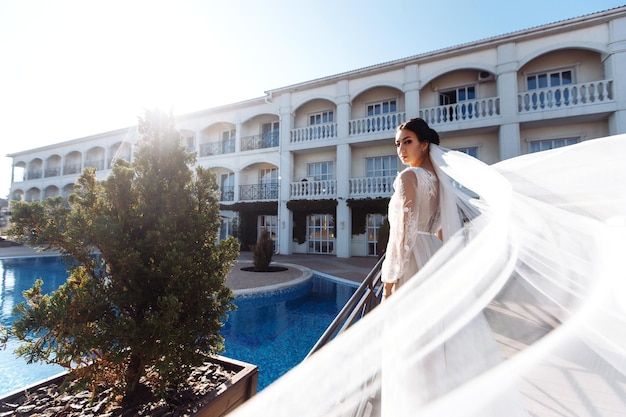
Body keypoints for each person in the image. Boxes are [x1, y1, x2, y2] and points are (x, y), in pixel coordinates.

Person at [381, 118, 442, 300]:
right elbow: (442, 230)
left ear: (424, 145)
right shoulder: (441, 181)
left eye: (408, 142)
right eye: (398, 144)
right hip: (435, 255)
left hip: (412, 261)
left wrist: (389, 284)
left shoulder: (408, 176)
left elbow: (403, 232)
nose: (401, 150)